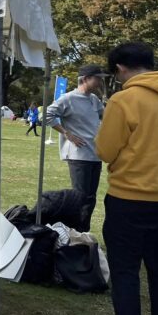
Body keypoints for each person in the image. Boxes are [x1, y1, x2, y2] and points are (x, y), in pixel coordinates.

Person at [90, 42, 158, 315]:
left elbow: (106, 150)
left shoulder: (124, 100)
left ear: (121, 69)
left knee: (125, 274)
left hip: (130, 199)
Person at [45, 64, 107, 232]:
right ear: (86, 78)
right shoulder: (68, 98)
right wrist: (67, 133)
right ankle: (74, 232)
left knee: (91, 198)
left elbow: (106, 116)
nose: (101, 81)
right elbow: (47, 114)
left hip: (95, 155)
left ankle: (83, 231)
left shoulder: (94, 99)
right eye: (98, 78)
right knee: (80, 197)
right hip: (79, 155)